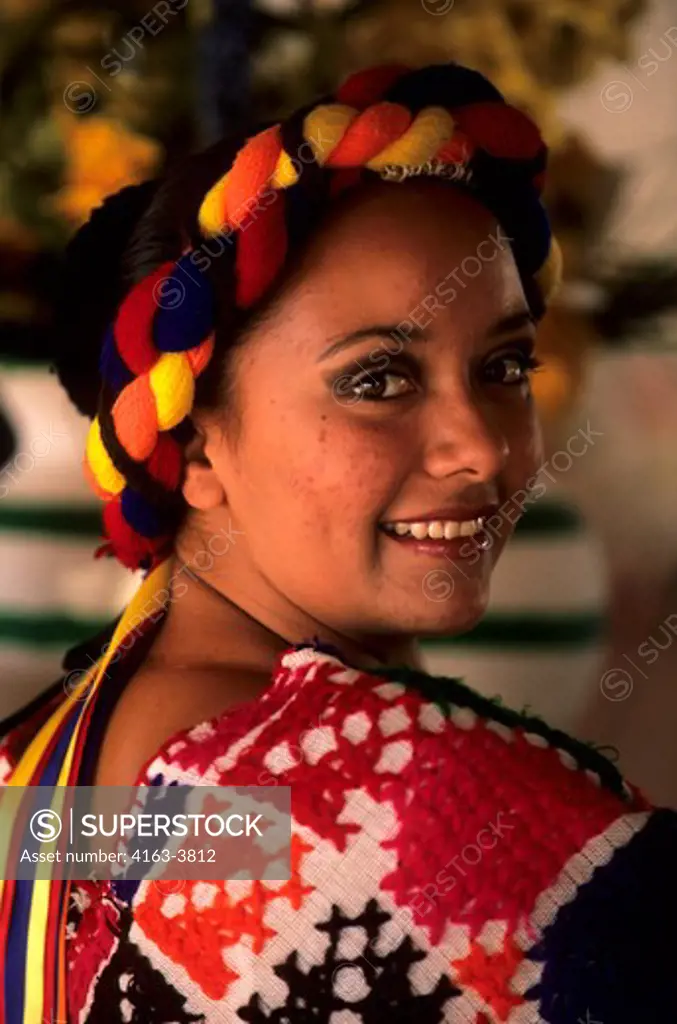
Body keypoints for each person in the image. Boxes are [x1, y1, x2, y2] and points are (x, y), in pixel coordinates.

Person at [1, 61, 675, 1024]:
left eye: (505, 365)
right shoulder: (416, 806)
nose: (480, 446)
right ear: (195, 446)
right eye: (377, 380)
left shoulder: (40, 796)